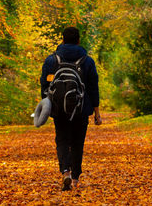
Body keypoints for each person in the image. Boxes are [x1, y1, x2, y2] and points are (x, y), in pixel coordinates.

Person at [40, 27, 101, 191]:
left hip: (58, 109)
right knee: (77, 143)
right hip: (81, 109)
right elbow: (93, 87)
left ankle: (65, 172)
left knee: (61, 140)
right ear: (79, 41)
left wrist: (47, 107)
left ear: (63, 40)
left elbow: (45, 86)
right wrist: (96, 112)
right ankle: (75, 178)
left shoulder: (51, 60)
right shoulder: (87, 61)